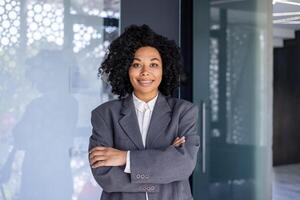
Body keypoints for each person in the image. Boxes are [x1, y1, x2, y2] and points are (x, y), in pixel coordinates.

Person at [88, 24, 200, 200]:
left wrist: (125, 158)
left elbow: (183, 165)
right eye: (136, 64)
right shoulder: (104, 115)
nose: (145, 72)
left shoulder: (184, 112)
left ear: (164, 69)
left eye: (154, 64)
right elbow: (106, 177)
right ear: (126, 68)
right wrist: (163, 164)